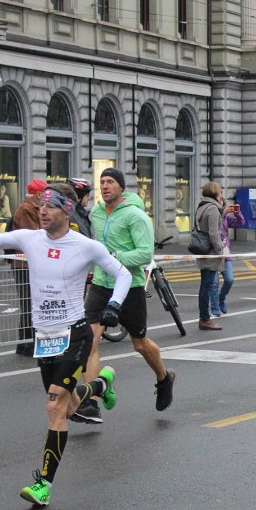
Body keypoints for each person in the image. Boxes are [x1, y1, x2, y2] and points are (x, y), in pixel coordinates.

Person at [0, 183, 131, 506]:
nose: (42, 211)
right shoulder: (29, 239)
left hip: (74, 334)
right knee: (68, 406)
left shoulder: (85, 245)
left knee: (53, 406)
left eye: (49, 206)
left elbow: (123, 275)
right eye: (41, 205)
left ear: (67, 210)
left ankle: (43, 485)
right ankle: (102, 384)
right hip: (45, 338)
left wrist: (114, 306)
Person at [75, 168, 176, 424]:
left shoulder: (135, 216)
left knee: (140, 344)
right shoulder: (96, 213)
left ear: (121, 187)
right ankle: (90, 403)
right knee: (90, 342)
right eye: (102, 182)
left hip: (129, 286)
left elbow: (144, 254)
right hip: (100, 285)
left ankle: (164, 378)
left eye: (110, 182)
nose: (105, 186)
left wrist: (114, 258)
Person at [10, 179, 47, 356]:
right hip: (24, 264)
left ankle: (27, 343)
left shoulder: (35, 208)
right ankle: (28, 343)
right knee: (29, 303)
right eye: (45, 194)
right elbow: (35, 235)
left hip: (31, 263)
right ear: (38, 194)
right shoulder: (27, 209)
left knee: (31, 302)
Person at [195, 182, 225, 331]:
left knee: (204, 286)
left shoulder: (202, 206)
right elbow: (214, 233)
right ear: (215, 193)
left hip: (202, 250)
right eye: (220, 192)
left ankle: (204, 318)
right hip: (210, 252)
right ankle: (205, 319)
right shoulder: (213, 209)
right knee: (207, 286)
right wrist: (220, 250)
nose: (221, 195)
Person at [212, 193, 245, 317]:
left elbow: (240, 223)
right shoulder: (213, 214)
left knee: (229, 279)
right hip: (214, 252)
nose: (221, 201)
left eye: (222, 200)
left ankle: (221, 299)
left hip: (225, 252)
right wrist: (222, 213)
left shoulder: (225, 217)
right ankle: (215, 307)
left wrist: (238, 213)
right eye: (219, 199)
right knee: (214, 283)